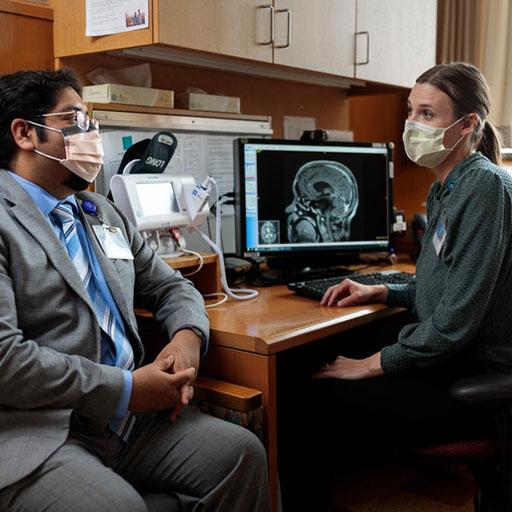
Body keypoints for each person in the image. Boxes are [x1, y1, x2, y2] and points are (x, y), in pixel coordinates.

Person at [0, 68, 271, 512]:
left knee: (241, 455)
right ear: (25, 133)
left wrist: (187, 340)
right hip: (40, 428)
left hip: (129, 421)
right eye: (74, 120)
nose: (91, 134)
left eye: (91, 121)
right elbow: (5, 360)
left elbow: (172, 287)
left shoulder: (99, 211)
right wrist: (124, 387)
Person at [282, 62, 512, 511]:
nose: (412, 124)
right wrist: (386, 292)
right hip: (455, 357)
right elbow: (446, 286)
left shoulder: (485, 187)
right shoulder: (445, 188)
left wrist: (372, 364)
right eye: (410, 111)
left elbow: (454, 321)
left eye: (427, 114)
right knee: (309, 369)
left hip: (479, 376)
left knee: (309, 396)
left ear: (468, 126)